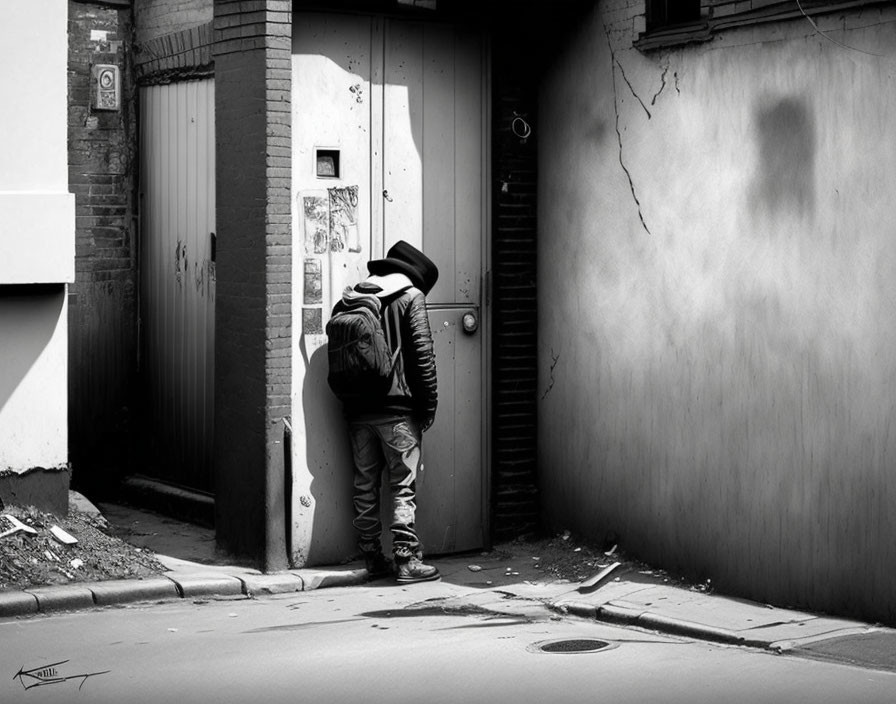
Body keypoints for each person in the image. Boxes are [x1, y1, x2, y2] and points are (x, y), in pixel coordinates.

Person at [333, 240, 440, 584]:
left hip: (356, 412)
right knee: (403, 484)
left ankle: (372, 557)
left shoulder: (352, 298)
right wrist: (428, 405)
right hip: (397, 412)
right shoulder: (411, 298)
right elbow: (423, 358)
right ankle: (407, 561)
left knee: (365, 483)